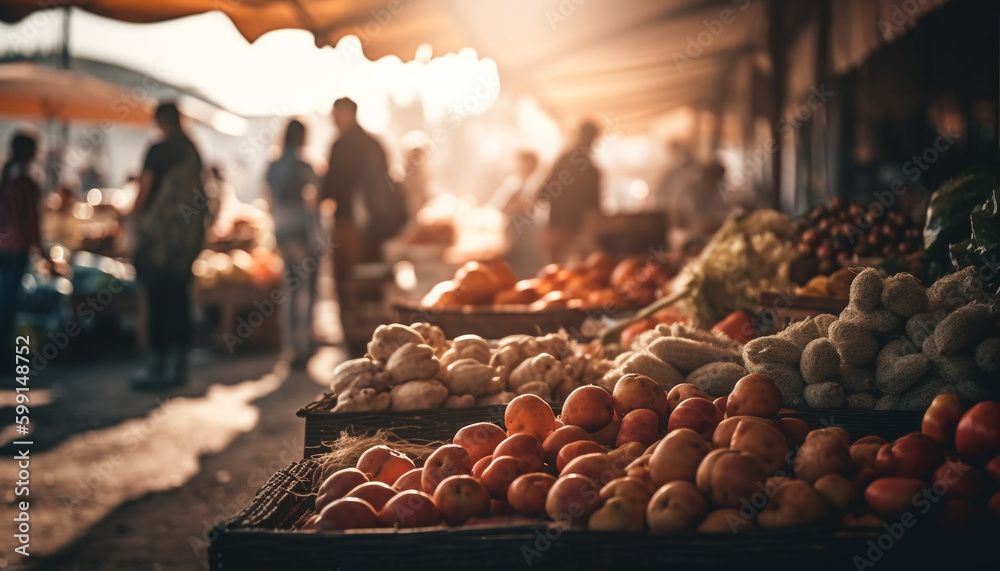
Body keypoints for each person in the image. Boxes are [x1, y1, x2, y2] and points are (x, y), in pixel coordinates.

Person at [131, 102, 206, 390]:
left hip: (158, 240)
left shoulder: (157, 150)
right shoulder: (192, 149)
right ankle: (179, 364)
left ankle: (156, 366)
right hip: (186, 241)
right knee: (180, 298)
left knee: (157, 299)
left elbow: (144, 189)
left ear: (161, 121)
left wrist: (135, 219)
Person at [320, 97, 406, 350]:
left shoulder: (340, 145)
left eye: (335, 114)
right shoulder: (375, 144)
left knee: (347, 283)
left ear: (346, 113)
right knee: (374, 283)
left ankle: (353, 338)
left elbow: (329, 188)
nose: (332, 120)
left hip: (348, 227)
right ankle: (379, 338)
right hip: (377, 231)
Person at [266, 119, 319, 366]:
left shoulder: (273, 165)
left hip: (281, 227)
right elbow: (316, 196)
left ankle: (290, 345)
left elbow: (269, 199)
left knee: (290, 287)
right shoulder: (303, 165)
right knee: (305, 288)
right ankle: (303, 343)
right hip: (301, 229)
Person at [0, 130, 49, 356]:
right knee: (9, 301)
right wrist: (42, 249)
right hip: (15, 248)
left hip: (5, 246)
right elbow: (31, 219)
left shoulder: (7, 176)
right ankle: (5, 349)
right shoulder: (25, 181)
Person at [535, 121, 602, 264]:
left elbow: (542, 194)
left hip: (558, 230)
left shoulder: (565, 161)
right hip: (577, 233)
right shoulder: (593, 171)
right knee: (573, 274)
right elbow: (596, 210)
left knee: (555, 276)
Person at [489, 150, 543, 278]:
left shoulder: (534, 182)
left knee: (528, 262)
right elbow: (501, 205)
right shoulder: (514, 182)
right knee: (515, 263)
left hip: (528, 231)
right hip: (514, 228)